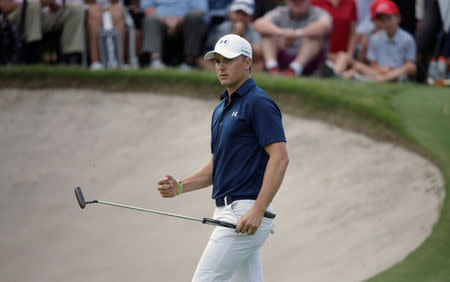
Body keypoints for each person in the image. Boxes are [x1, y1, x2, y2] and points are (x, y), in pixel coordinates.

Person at [156, 34, 289, 281]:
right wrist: (180, 186)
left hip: (245, 212)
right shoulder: (221, 109)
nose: (221, 67)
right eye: (217, 61)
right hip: (229, 213)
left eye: (228, 60)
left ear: (247, 62)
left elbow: (280, 158)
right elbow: (217, 165)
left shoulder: (258, 103)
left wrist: (258, 209)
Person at [341, 0, 417, 81]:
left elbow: (410, 65)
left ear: (398, 18)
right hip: (378, 72)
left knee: (410, 67)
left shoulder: (407, 39)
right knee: (357, 66)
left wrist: (391, 71)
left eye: (389, 18)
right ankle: (383, 79)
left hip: (397, 73)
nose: (387, 23)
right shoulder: (375, 38)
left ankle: (384, 79)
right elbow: (372, 63)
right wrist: (382, 70)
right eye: (382, 20)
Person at [253, 0, 332, 77]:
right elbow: (259, 24)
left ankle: (294, 69)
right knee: (268, 35)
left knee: (314, 37)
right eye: (294, 1)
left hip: (309, 64)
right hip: (282, 57)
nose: (297, 3)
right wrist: (282, 32)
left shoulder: (319, 13)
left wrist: (297, 33)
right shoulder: (280, 11)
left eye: (301, 1)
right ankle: (272, 68)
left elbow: (325, 26)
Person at [0, 0, 85, 64]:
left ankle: (70, 58)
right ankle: (32, 57)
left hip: (44, 16)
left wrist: (52, 4)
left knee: (75, 8)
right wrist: (38, 3)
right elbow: (4, 6)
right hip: (16, 18)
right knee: (33, 5)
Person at [140, 0, 208, 69]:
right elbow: (147, 8)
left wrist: (178, 20)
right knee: (151, 19)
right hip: (160, 21)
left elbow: (200, 10)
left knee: (194, 17)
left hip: (185, 23)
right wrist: (164, 20)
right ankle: (155, 62)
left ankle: (189, 63)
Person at [203, 0, 264, 71]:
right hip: (222, 61)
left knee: (259, 65)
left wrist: (241, 36)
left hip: (243, 62)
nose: (240, 17)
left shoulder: (253, 30)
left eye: (244, 14)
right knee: (203, 61)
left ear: (250, 17)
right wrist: (235, 35)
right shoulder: (222, 28)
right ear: (230, 13)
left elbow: (258, 56)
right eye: (238, 13)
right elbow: (218, 53)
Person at [85, 0, 128, 70]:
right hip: (92, 6)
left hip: (113, 5)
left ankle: (118, 60)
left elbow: (116, 2)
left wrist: (108, 8)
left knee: (118, 13)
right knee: (93, 15)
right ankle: (95, 62)